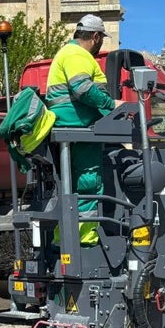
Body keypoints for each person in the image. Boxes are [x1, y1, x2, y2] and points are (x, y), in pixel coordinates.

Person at [45, 14, 118, 245]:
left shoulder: (67, 53)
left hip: (70, 124)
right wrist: (111, 105)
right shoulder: (78, 55)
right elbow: (83, 89)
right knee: (88, 182)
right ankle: (85, 240)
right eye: (102, 40)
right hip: (79, 126)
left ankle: (64, 239)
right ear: (95, 37)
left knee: (70, 186)